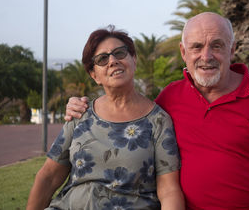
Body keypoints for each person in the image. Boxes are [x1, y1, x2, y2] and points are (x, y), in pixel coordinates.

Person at [66, 12, 249, 209]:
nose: (206, 56)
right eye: (197, 47)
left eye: (217, 46)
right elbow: (127, 119)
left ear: (232, 50)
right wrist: (81, 105)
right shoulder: (170, 97)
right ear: (183, 52)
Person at [27, 26, 185, 210]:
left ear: (133, 59)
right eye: (102, 59)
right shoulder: (81, 114)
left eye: (120, 53)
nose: (112, 61)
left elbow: (168, 190)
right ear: (94, 75)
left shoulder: (158, 121)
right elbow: (49, 176)